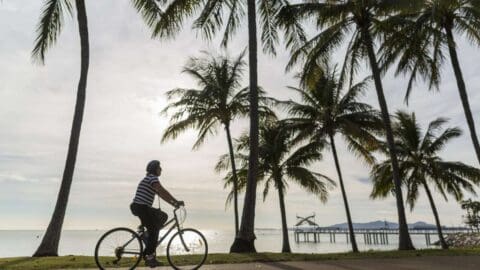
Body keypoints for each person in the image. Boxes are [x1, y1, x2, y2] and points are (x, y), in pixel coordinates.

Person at [130, 160, 184, 268]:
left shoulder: (150, 179)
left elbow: (162, 195)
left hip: (140, 207)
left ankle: (147, 236)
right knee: (154, 230)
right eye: (159, 168)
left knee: (163, 216)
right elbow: (163, 191)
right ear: (154, 169)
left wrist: (174, 203)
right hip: (141, 207)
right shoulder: (152, 178)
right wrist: (176, 202)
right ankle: (150, 257)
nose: (161, 169)